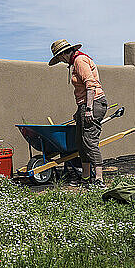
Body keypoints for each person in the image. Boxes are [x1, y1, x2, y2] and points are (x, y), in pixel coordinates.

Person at [49, 39, 108, 188]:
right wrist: (80, 111)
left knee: (90, 141)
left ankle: (99, 179)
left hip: (93, 103)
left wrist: (88, 109)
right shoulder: (75, 62)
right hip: (85, 104)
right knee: (81, 143)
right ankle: (85, 177)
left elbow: (90, 85)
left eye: (60, 58)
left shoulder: (80, 60)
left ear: (63, 54)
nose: (61, 62)